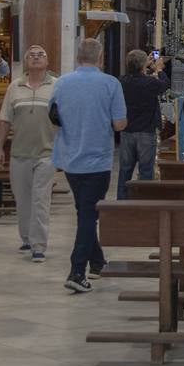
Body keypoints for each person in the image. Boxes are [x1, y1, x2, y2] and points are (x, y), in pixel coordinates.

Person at [48, 38, 127, 293]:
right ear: (100, 57)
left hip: (70, 157)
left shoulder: (61, 83)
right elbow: (119, 124)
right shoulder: (110, 83)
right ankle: (76, 270)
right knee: (88, 215)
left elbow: (54, 117)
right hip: (97, 159)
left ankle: (98, 262)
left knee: (84, 209)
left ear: (77, 57)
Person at [0, 45, 56, 261]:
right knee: (23, 199)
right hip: (19, 152)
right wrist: (0, 148)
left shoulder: (56, 86)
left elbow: (65, 119)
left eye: (41, 54)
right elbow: (4, 119)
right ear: (26, 61)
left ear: (47, 62)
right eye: (32, 55)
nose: (37, 57)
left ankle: (39, 245)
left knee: (40, 199)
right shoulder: (15, 87)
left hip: (47, 153)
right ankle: (27, 237)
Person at [117, 49, 169, 199]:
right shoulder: (150, 82)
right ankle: (144, 202)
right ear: (143, 65)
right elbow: (164, 85)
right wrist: (158, 69)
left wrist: (146, 64)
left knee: (125, 169)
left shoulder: (122, 81)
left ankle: (121, 201)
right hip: (146, 131)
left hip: (127, 130)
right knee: (146, 169)